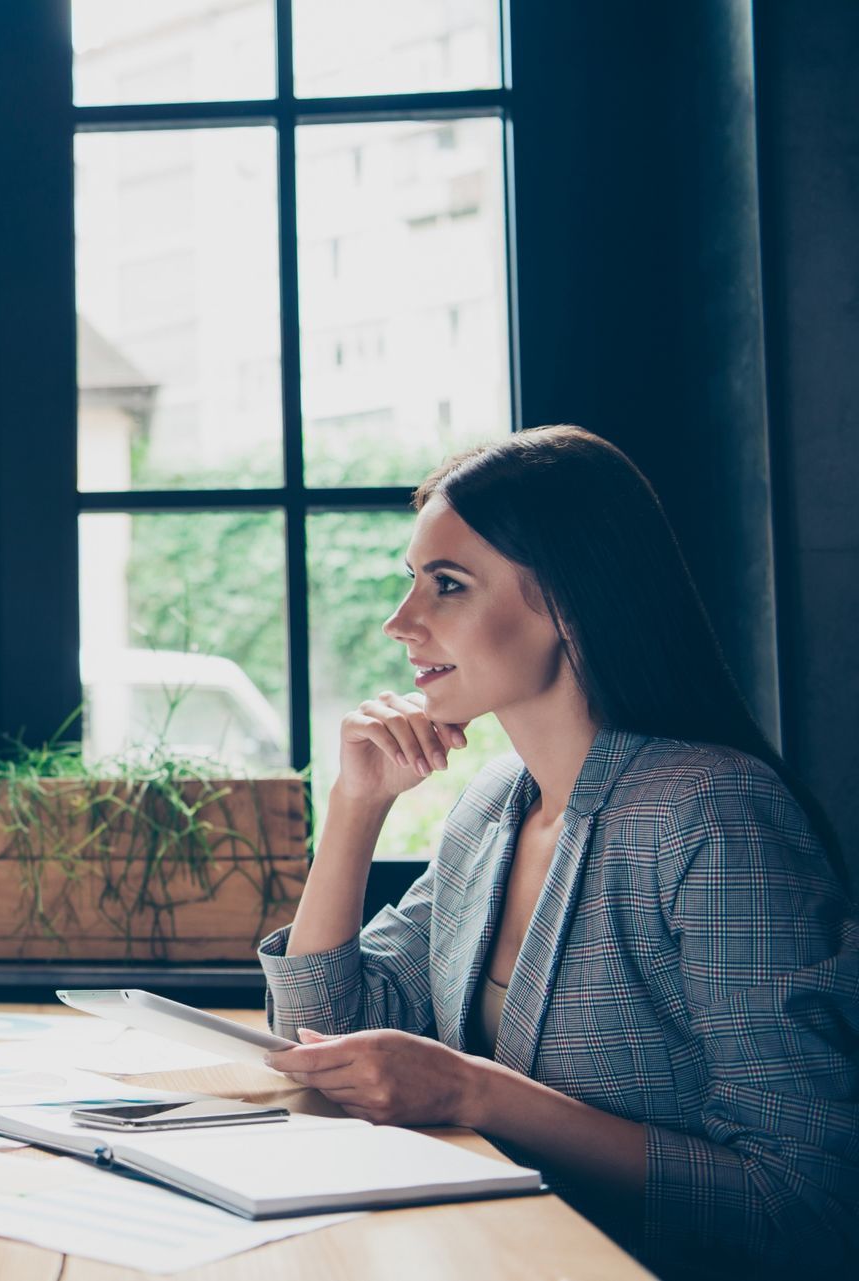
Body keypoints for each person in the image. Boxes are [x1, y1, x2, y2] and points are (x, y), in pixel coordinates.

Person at [256, 426, 857, 1274]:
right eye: (410, 583)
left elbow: (806, 1203)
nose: (401, 623)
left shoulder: (713, 815)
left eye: (448, 586)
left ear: (569, 600)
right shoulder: (492, 805)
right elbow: (325, 1033)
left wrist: (473, 1090)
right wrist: (356, 807)